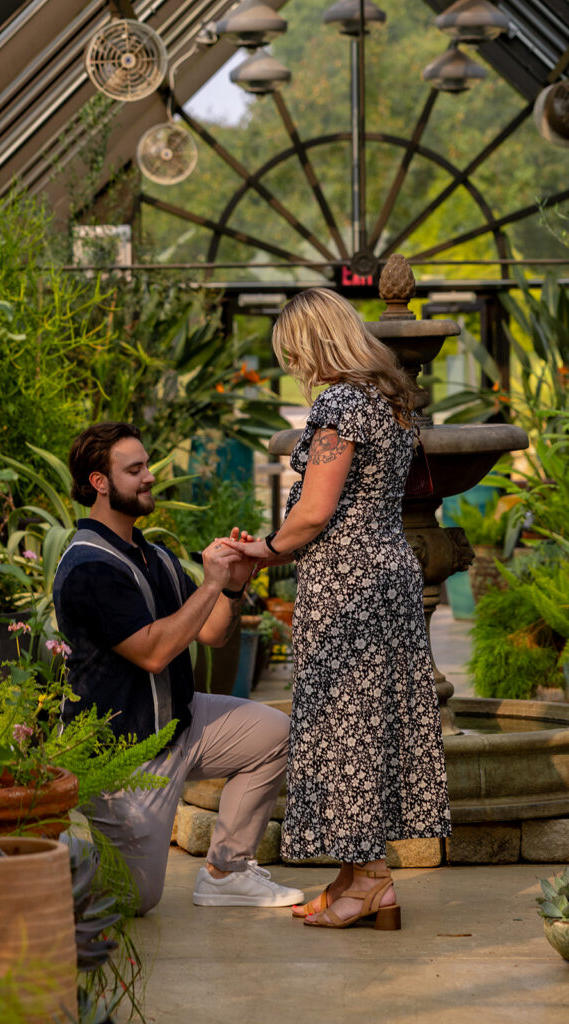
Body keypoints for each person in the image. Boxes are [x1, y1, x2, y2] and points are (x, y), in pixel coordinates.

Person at [225, 288, 451, 930]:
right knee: (371, 721)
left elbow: (317, 510)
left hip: (348, 582)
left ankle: (373, 883)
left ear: (308, 341)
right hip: (390, 569)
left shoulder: (341, 402)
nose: (291, 363)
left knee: (346, 726)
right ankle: (355, 873)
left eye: (290, 349)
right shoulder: (390, 401)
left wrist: (262, 551)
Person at [52, 421, 304, 915]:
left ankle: (226, 873)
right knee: (134, 899)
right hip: (126, 751)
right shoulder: (87, 567)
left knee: (276, 731)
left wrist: (232, 585)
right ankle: (45, 852)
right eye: (135, 469)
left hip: (181, 723)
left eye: (147, 465)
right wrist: (210, 585)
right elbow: (153, 652)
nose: (149, 477)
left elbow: (210, 632)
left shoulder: (154, 555)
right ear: (99, 483)